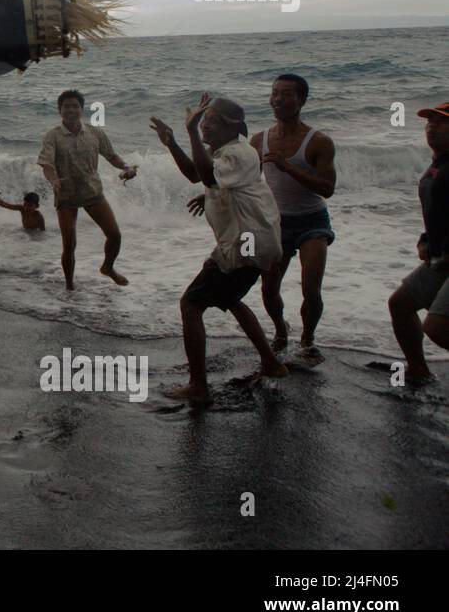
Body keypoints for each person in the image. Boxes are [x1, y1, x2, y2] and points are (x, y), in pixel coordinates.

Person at [149, 96, 288, 403]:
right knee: (231, 298)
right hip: (252, 242)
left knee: (191, 305)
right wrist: (171, 142)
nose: (205, 125)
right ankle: (271, 362)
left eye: (210, 120)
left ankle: (199, 387)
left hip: (244, 245)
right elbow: (196, 174)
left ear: (231, 126)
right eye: (204, 119)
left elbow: (209, 175)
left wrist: (189, 132)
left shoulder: (239, 152)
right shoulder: (227, 153)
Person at [249, 74, 337, 353]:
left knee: (311, 289)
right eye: (274, 93)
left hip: (313, 221)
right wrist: (213, 193)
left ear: (301, 100)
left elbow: (327, 188)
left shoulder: (318, 141)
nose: (278, 99)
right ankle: (280, 330)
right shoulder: (259, 140)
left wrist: (289, 168)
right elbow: (248, 182)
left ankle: (308, 337)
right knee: (268, 289)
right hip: (277, 222)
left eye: (286, 94)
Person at [38, 90, 138, 290]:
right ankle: (69, 286)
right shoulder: (53, 135)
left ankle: (108, 268)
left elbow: (111, 156)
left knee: (115, 235)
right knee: (69, 245)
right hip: (65, 194)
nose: (71, 110)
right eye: (66, 106)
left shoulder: (95, 132)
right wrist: (53, 180)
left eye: (75, 106)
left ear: (81, 109)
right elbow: (46, 165)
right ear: (60, 110)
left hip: (92, 191)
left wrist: (126, 167)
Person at [387, 101, 449, 382]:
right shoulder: (439, 164)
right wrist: (426, 240)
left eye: (441, 122)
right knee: (400, 304)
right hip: (441, 258)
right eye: (429, 122)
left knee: (436, 327)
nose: (432, 127)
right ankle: (419, 370)